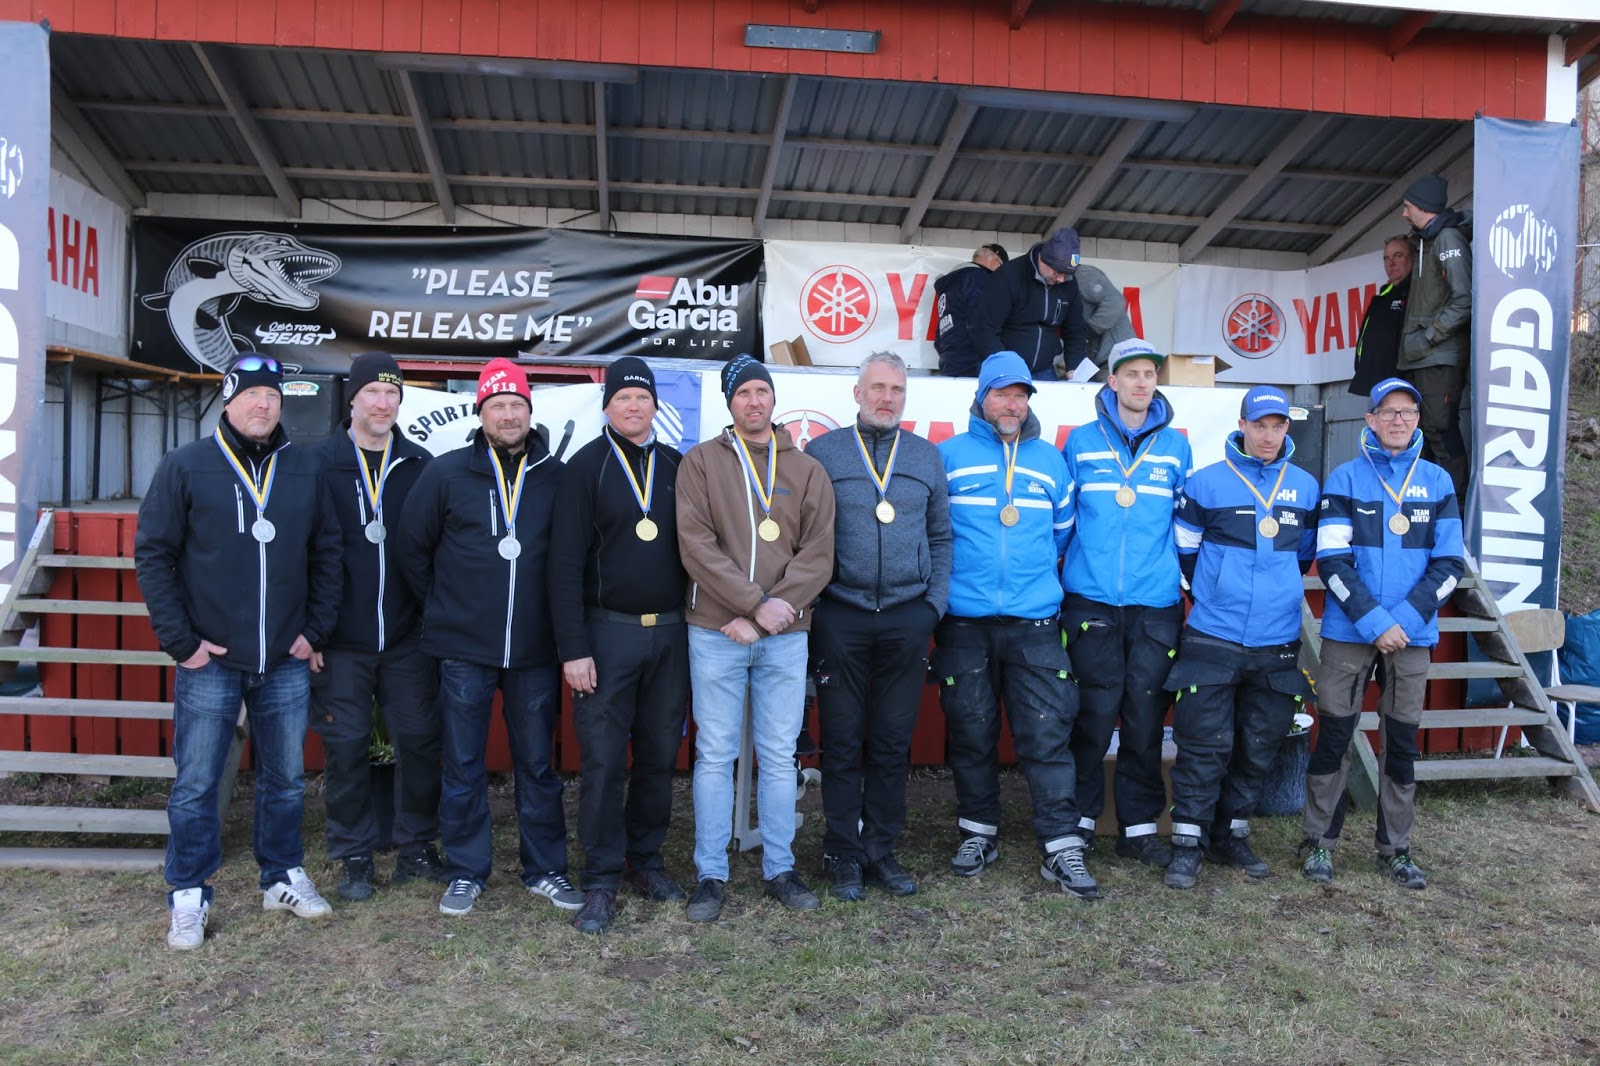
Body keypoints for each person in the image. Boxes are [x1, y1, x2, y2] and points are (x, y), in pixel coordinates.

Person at [135, 352, 342, 950]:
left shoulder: (303, 467)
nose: (263, 405)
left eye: (272, 396)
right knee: (198, 782)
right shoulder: (187, 465)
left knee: (286, 779)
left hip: (283, 657)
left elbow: (328, 552)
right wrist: (182, 642)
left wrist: (314, 631)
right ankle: (189, 892)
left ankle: (280, 875)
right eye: (251, 395)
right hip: (212, 658)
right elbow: (154, 554)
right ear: (228, 401)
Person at [395, 358, 581, 917]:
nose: (507, 415)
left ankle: (544, 868)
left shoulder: (556, 476)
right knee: (462, 764)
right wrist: (444, 606)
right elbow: (411, 547)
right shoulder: (447, 472)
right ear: (480, 413)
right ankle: (466, 871)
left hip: (534, 649)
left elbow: (571, 558)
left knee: (537, 765)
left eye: (516, 405)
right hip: (463, 648)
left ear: (529, 411)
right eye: (497, 405)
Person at [676, 355, 836, 921]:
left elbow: (818, 554)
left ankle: (780, 869)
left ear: (773, 399)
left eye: (761, 391)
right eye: (743, 392)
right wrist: (751, 604)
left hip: (785, 634)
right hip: (716, 630)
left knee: (778, 753)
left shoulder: (807, 469)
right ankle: (710, 873)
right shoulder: (700, 463)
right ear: (730, 402)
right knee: (715, 754)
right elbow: (696, 547)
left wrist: (769, 615)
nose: (754, 401)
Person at [935, 351, 1096, 899]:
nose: (1011, 405)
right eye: (1001, 394)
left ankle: (1061, 844)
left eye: (1020, 395)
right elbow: (936, 534)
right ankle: (978, 833)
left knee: (1047, 733)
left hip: (1034, 623)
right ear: (982, 397)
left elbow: (1061, 534)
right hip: (964, 622)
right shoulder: (949, 456)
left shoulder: (1050, 462)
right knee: (971, 731)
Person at [1301, 378, 1464, 890]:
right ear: (1370, 420)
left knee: (1402, 743)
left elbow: (1450, 564)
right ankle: (1318, 843)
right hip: (1350, 632)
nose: (1398, 420)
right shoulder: (1345, 478)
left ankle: (1396, 849)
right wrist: (1375, 622)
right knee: (1334, 737)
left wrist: (1404, 622)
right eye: (1388, 412)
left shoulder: (1437, 481)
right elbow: (1331, 560)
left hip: (1412, 636)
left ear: (1417, 420)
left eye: (1407, 412)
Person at [548, 357, 691, 935]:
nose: (633, 406)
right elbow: (562, 566)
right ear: (606, 406)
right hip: (606, 635)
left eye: (643, 397)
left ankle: (646, 860)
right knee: (605, 761)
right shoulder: (585, 468)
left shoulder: (679, 466)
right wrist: (573, 648)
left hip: (672, 632)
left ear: (656, 405)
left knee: (659, 754)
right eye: (623, 398)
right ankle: (602, 876)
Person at [805, 351, 952, 902]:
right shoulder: (823, 453)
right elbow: (805, 535)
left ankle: (880, 849)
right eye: (878, 388)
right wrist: (818, 603)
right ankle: (842, 850)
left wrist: (932, 606)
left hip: (907, 616)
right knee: (842, 741)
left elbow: (941, 536)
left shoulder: (926, 456)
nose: (887, 398)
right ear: (857, 392)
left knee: (892, 741)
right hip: (840, 615)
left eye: (896, 390)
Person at [1163, 387, 1320, 890]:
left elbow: (1303, 557)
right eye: (1259, 425)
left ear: (1287, 428)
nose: (1268, 436)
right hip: (1215, 632)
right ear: (1242, 426)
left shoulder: (1305, 487)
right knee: (1203, 745)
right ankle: (1187, 844)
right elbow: (1185, 551)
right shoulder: (1205, 483)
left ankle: (1230, 835)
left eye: (1277, 426)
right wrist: (1216, 591)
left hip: (1276, 638)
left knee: (1258, 745)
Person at [312, 353, 444, 902]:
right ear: (353, 398)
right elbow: (303, 551)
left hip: (407, 636)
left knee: (418, 740)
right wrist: (311, 631)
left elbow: (435, 548)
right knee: (345, 748)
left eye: (392, 393)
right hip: (340, 639)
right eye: (373, 392)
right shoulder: (318, 462)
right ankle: (354, 855)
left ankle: (416, 847)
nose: (383, 403)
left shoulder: (419, 464)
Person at [1060, 338, 1192, 870]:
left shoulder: (1177, 447)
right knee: (1090, 715)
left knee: (1145, 715)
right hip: (1090, 599)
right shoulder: (1080, 442)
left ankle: (1138, 827)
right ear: (1112, 381)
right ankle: (1079, 820)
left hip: (1155, 602)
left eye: (1150, 374)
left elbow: (1184, 526)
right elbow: (1063, 522)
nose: (1141, 383)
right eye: (1131, 373)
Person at [1396, 173, 1472, 500]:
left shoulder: (1448, 239)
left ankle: (1456, 509)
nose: (1404, 213)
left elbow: (1464, 299)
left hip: (1438, 356)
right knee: (1423, 434)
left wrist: (1429, 337)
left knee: (1440, 431)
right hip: (1421, 356)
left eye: (1408, 206)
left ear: (1424, 207)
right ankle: (1427, 505)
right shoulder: (1425, 241)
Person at [972, 227, 1089, 380]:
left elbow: (1075, 330)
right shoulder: (1008, 276)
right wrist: (1002, 365)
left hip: (1044, 370)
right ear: (1044, 259)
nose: (1061, 279)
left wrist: (1074, 367)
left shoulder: (1069, 284)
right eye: (1057, 272)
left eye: (1066, 274)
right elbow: (985, 327)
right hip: (1004, 367)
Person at [1348, 236, 1415, 398]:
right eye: (1386, 258)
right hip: (1378, 385)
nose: (1391, 263)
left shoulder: (1418, 291)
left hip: (1406, 382)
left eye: (1398, 255)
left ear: (1413, 258)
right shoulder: (1383, 295)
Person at [934, 244, 1009, 377]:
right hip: (973, 364)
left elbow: (939, 336)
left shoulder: (949, 286)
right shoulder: (978, 278)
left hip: (949, 363)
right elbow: (981, 322)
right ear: (996, 262)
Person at [1064, 262, 1136, 379]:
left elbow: (1115, 302)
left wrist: (1091, 329)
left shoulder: (1083, 275)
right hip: (1096, 361)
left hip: (1117, 357)